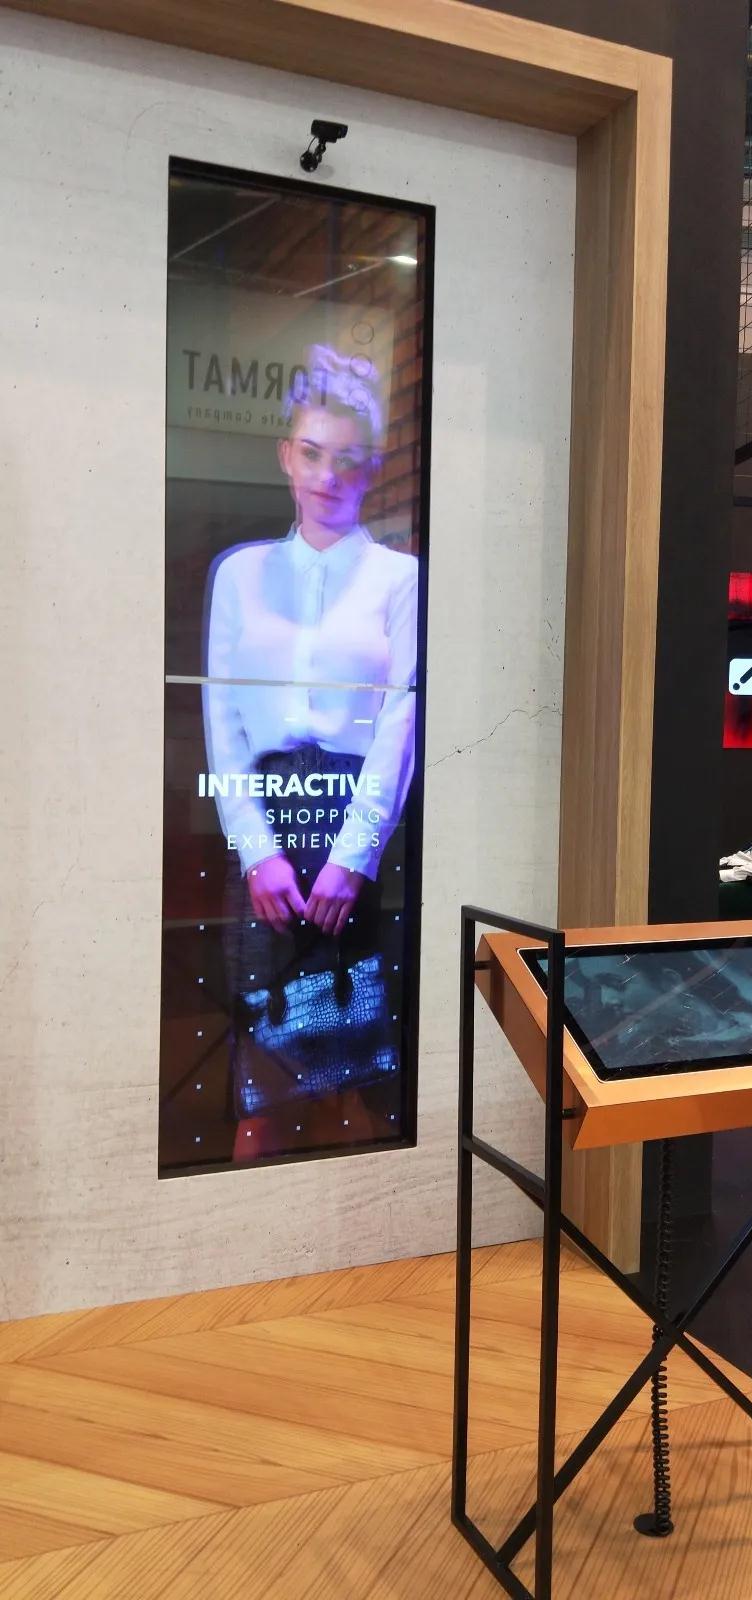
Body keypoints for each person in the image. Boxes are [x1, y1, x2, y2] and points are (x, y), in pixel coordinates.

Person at [203, 345, 417, 1160]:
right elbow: (222, 717)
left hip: (356, 822)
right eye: (313, 453)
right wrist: (256, 852)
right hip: (261, 829)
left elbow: (400, 721)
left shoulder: (401, 579)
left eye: (348, 459)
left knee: (362, 1066)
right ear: (286, 456)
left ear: (372, 468)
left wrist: (354, 857)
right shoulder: (240, 573)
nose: (329, 475)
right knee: (259, 1061)